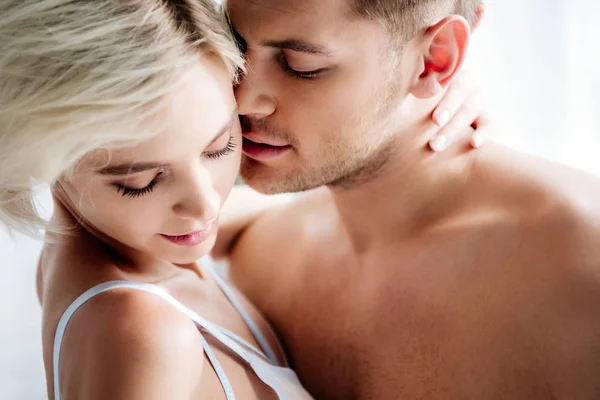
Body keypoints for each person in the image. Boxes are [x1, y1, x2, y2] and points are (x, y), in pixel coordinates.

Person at [0, 1, 483, 399]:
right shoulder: (144, 336)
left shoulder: (121, 240)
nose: (205, 204)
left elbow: (305, 202)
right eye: (142, 181)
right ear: (47, 159)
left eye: (219, 147)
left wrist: (422, 92)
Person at [218, 0, 600, 399]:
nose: (242, 100)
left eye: (300, 66)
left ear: (436, 60)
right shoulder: (263, 254)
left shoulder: (580, 267)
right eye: (235, 47)